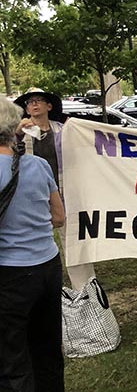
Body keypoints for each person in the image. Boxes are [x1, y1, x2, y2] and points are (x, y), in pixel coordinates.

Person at [0, 97, 70, 392]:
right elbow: (58, 216)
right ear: (16, 129)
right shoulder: (37, 164)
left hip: (9, 275)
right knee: (45, 346)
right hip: (46, 265)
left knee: (11, 362)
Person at [14, 88, 96, 292]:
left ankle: (86, 290)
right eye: (29, 102)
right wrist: (16, 133)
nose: (33, 104)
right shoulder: (20, 133)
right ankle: (35, 289)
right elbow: (11, 158)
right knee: (34, 244)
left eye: (38, 100)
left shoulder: (64, 130)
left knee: (74, 243)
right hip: (32, 198)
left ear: (48, 106)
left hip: (64, 194)